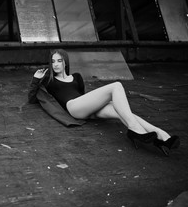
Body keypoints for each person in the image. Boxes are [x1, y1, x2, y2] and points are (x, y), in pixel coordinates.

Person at [28, 49, 180, 156]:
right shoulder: (49, 81)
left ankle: (162, 137)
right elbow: (32, 98)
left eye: (59, 61)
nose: (55, 64)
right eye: (53, 61)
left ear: (65, 62)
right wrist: (36, 79)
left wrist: (96, 105)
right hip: (73, 108)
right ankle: (134, 130)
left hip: (86, 108)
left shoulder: (77, 77)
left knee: (121, 111)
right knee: (116, 86)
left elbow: (83, 95)